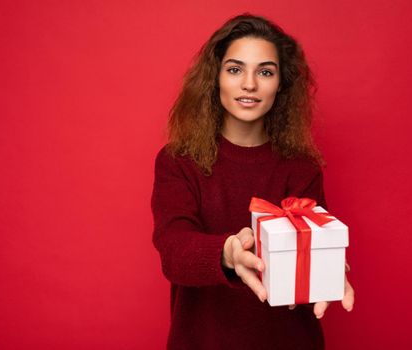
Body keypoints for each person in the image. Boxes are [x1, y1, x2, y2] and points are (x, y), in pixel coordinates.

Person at [151, 13, 354, 349]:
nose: (249, 84)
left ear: (281, 84)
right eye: (235, 69)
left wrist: (329, 269)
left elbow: (317, 241)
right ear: (214, 78)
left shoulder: (301, 168)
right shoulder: (178, 162)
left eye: (265, 71)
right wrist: (228, 253)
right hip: (203, 341)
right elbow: (173, 250)